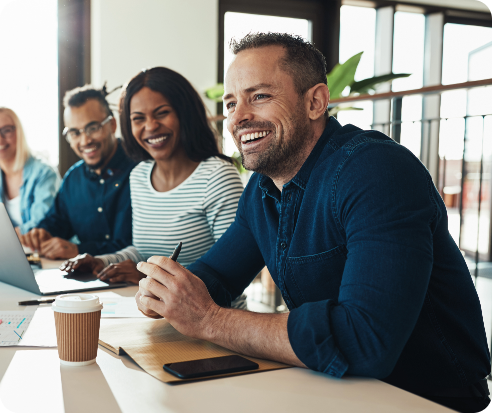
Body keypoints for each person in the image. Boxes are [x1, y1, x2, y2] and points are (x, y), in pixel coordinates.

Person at [133, 33, 490, 413]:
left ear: (315, 101)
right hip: (330, 390)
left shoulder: (375, 170)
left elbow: (365, 341)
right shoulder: (262, 187)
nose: (238, 118)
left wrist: (210, 320)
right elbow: (217, 277)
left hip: (425, 400)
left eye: (260, 96)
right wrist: (169, 291)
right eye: (231, 103)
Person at [60, 67, 246, 307]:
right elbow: (141, 252)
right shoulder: (139, 175)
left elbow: (232, 272)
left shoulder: (217, 176)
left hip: (213, 325)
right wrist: (101, 261)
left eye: (162, 113)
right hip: (155, 317)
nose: (150, 126)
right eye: (138, 118)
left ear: (184, 114)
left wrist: (150, 279)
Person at [18, 85, 136, 259]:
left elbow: (141, 247)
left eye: (93, 128)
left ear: (112, 125)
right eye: (74, 133)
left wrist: (79, 250)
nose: (85, 140)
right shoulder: (73, 178)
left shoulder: (141, 170)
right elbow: (57, 222)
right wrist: (42, 233)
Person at [0, 107, 59, 234]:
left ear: (18, 131)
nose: (0, 139)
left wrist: (8, 236)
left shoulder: (44, 173)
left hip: (43, 251)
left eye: (6, 131)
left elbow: (41, 225)